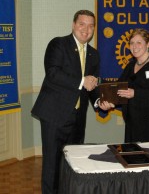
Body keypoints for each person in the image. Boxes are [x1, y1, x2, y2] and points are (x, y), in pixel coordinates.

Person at [31, 10, 113, 194]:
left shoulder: (94, 54)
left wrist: (100, 102)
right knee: (52, 164)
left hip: (77, 119)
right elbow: (53, 73)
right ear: (73, 24)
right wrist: (82, 81)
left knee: (72, 163)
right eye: (82, 24)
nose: (86, 29)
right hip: (54, 115)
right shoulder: (58, 44)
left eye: (91, 26)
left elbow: (93, 86)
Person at [117, 28, 149, 143]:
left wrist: (135, 93)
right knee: (131, 156)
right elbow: (118, 87)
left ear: (148, 44)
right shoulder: (130, 66)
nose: (134, 46)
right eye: (132, 43)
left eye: (139, 42)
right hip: (132, 122)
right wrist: (108, 100)